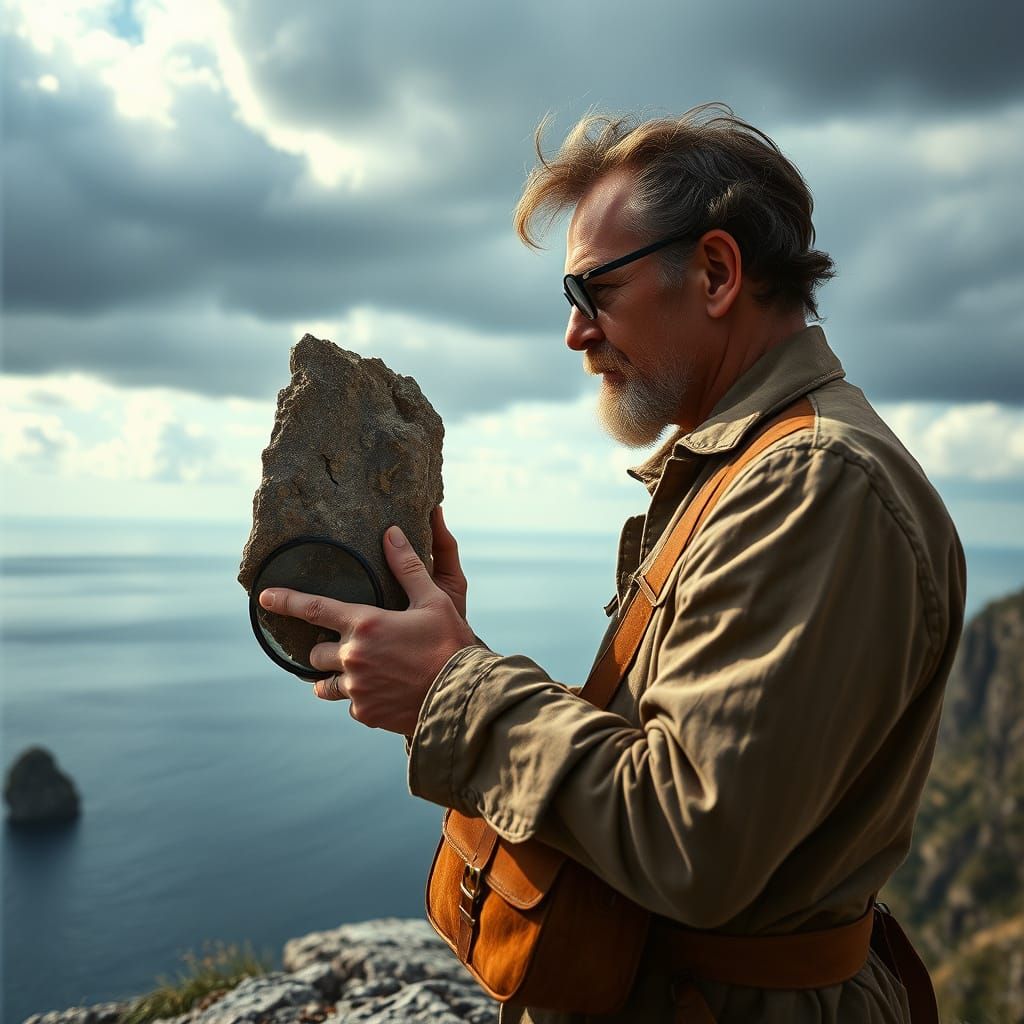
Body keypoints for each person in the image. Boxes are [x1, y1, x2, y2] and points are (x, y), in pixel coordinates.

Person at [259, 105, 966, 1023]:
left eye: (592, 292)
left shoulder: (813, 484)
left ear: (715, 272)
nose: (576, 334)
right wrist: (446, 656)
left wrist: (452, 689)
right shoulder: (755, 468)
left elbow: (693, 839)